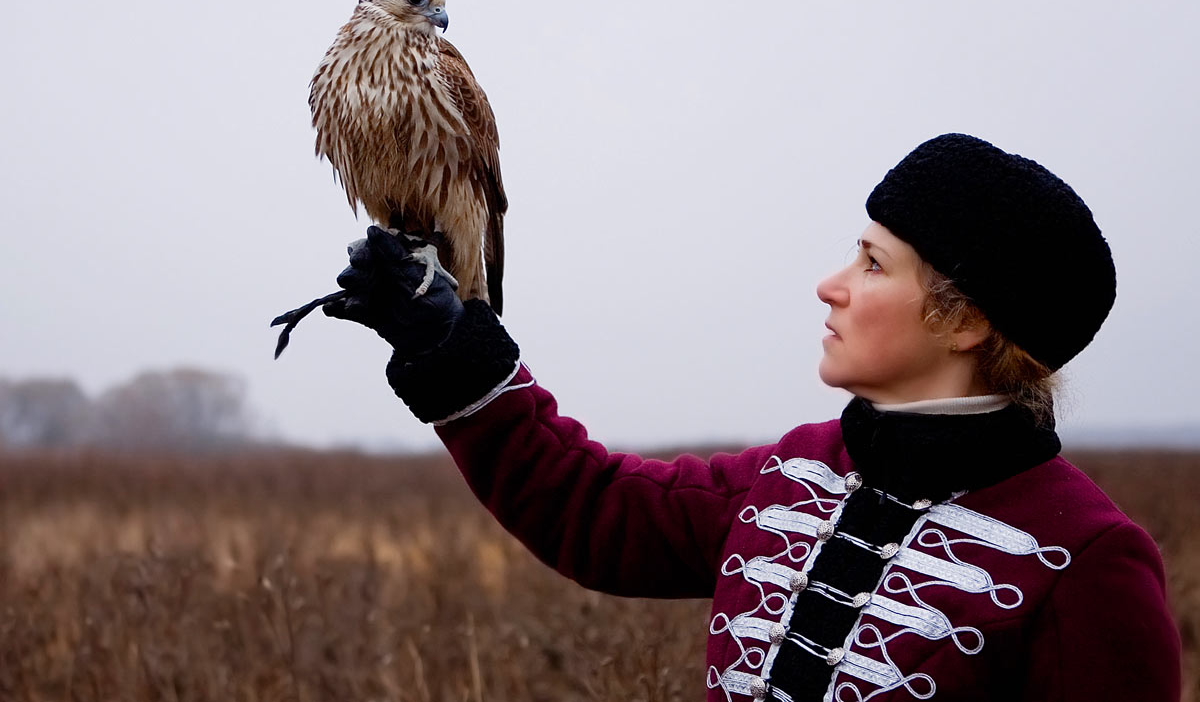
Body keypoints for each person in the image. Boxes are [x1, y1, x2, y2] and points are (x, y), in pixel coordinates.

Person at [320, 134, 1181, 701]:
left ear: (965, 319)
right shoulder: (794, 475)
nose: (832, 283)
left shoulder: (1087, 563)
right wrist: (454, 348)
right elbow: (596, 510)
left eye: (874, 263)